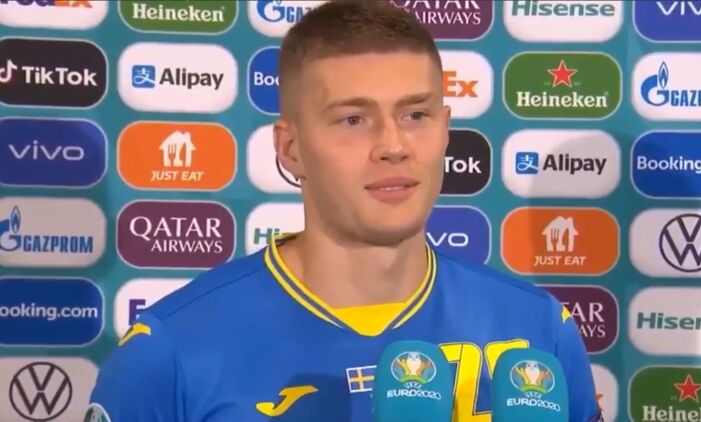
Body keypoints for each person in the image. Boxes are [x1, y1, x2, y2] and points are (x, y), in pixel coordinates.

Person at [86, 1, 602, 421]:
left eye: (415, 114)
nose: (394, 146)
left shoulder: (538, 330)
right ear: (290, 149)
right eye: (354, 119)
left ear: (446, 130)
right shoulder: (171, 352)